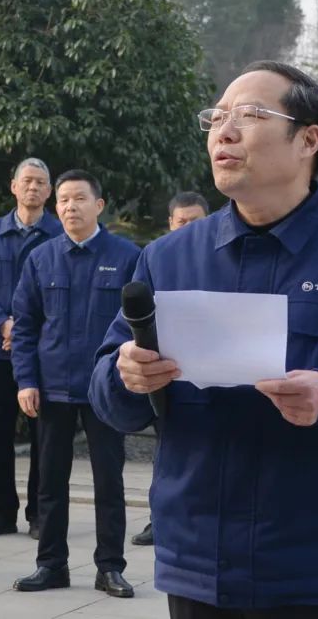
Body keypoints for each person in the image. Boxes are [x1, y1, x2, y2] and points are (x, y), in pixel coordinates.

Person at [90, 61, 318, 619]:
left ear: (308, 140)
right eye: (216, 117)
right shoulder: (169, 258)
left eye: (249, 115)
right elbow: (109, 394)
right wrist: (126, 375)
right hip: (199, 568)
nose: (224, 131)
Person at [11, 170, 140, 598]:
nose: (70, 207)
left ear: (99, 205)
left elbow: (142, 325)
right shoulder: (41, 258)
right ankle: (51, 565)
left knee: (109, 482)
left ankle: (110, 568)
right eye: (63, 200)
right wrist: (26, 380)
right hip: (53, 389)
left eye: (79, 198)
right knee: (49, 482)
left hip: (105, 391)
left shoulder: (127, 257)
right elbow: (25, 326)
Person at [0, 158, 63, 539]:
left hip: (44, 352)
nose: (33, 187)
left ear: (49, 191)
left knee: (43, 437)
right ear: (14, 187)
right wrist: (3, 323)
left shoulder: (60, 234)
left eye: (40, 182)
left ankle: (39, 514)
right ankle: (2, 512)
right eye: (27, 181)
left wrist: (29, 330)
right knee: (0, 434)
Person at [130, 190, 210, 548]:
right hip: (167, 380)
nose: (188, 228)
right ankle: (158, 519)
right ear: (170, 224)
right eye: (181, 222)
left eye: (195, 222)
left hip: (212, 380)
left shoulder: (220, 263)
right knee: (167, 455)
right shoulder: (158, 262)